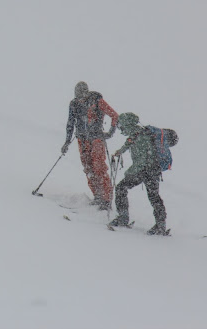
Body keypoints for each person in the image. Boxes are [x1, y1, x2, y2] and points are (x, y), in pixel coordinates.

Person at [61, 81, 119, 210]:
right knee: (88, 168)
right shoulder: (74, 104)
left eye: (82, 96)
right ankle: (97, 196)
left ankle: (106, 199)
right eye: (78, 96)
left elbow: (114, 115)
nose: (80, 99)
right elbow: (70, 123)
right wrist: (66, 141)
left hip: (96, 139)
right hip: (82, 139)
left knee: (99, 167)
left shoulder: (97, 101)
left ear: (86, 93)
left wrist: (110, 133)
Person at [108, 112, 168, 235]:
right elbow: (128, 143)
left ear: (128, 124)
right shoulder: (136, 134)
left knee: (121, 188)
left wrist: (129, 173)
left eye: (122, 125)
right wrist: (119, 152)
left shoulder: (141, 136)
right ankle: (160, 225)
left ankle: (123, 218)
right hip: (152, 170)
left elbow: (142, 160)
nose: (121, 128)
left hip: (147, 170)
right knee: (154, 196)